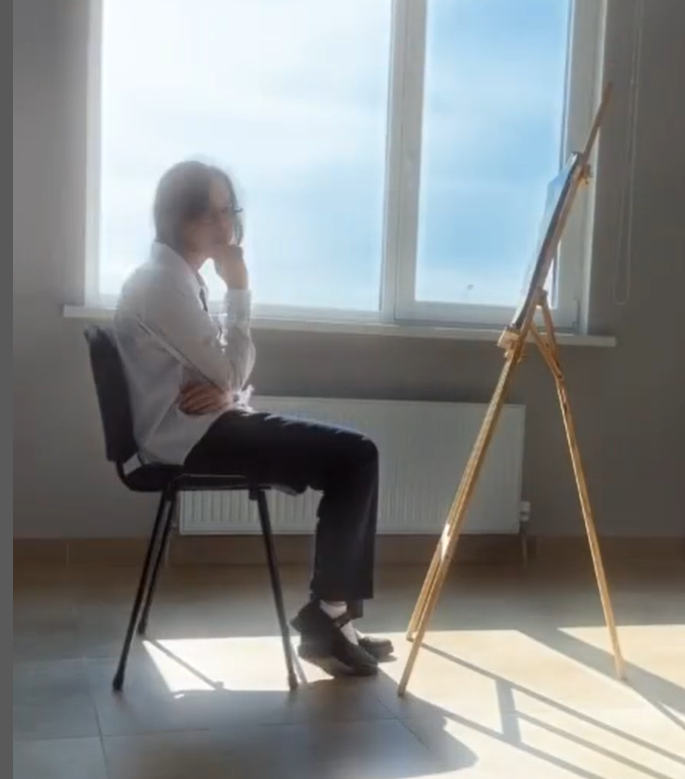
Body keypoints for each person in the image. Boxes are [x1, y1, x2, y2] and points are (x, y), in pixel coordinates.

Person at [114, 160, 393, 676]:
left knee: (353, 455)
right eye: (211, 213)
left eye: (229, 210)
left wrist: (225, 388)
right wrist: (239, 289)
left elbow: (225, 378)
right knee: (356, 456)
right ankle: (329, 618)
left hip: (201, 428)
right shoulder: (163, 285)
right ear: (179, 217)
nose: (226, 224)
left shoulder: (176, 280)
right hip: (191, 439)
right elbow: (229, 370)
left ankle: (337, 621)